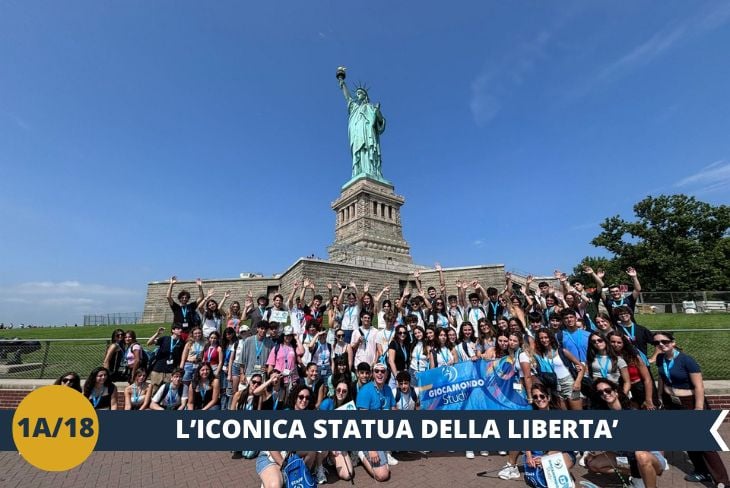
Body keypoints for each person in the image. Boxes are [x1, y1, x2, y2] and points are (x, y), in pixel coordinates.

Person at [654, 331, 729, 486]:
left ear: (673, 342)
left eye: (665, 341)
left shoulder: (686, 360)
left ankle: (722, 481)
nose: (661, 345)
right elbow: (662, 378)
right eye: (657, 343)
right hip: (672, 403)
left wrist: (698, 408)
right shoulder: (661, 358)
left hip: (691, 402)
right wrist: (660, 396)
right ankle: (702, 472)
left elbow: (699, 386)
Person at [585, 379, 668, 488]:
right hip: (628, 458)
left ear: (616, 392)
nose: (605, 394)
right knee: (594, 464)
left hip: (648, 456)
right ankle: (638, 476)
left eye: (608, 390)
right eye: (600, 392)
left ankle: (649, 480)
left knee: (641, 455)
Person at [338, 78, 386, 180]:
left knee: (369, 151)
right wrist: (343, 84)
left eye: (360, 93)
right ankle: (359, 171)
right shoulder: (355, 108)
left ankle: (373, 172)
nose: (357, 95)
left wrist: (377, 112)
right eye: (357, 93)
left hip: (369, 134)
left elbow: (381, 121)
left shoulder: (371, 107)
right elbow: (348, 98)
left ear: (365, 95)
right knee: (359, 153)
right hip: (358, 135)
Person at [356, 363, 394, 479]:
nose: (380, 374)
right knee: (382, 476)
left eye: (383, 371)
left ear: (387, 374)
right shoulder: (365, 391)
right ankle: (360, 452)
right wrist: (372, 449)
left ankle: (386, 450)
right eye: (377, 371)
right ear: (373, 373)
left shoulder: (387, 389)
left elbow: (394, 409)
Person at [533, 329, 585, 410]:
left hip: (570, 385)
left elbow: (581, 366)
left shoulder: (562, 351)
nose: (544, 340)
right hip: (556, 388)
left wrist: (577, 382)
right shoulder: (542, 355)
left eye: (546, 337)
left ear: (550, 338)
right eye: (541, 338)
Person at [608, 331, 655, 410]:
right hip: (621, 388)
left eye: (619, 342)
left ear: (624, 343)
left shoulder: (633, 357)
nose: (615, 344)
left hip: (639, 389)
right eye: (613, 342)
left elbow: (647, 379)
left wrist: (648, 400)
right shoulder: (607, 357)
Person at [586, 331, 630, 396]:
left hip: (615, 392)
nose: (597, 342)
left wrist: (622, 396)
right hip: (598, 393)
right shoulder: (591, 359)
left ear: (605, 341)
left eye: (600, 340)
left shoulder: (618, 359)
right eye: (594, 341)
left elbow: (627, 382)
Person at [146, 324, 185, 396]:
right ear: (173, 330)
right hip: (158, 370)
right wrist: (157, 334)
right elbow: (149, 343)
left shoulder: (182, 343)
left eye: (181, 329)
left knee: (167, 392)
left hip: (170, 371)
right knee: (154, 392)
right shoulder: (165, 338)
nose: (180, 330)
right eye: (178, 328)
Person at [166, 276, 205, 341]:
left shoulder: (191, 306)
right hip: (178, 332)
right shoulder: (176, 307)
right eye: (182, 297)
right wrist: (171, 284)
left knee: (189, 348)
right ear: (179, 299)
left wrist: (200, 286)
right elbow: (168, 297)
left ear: (188, 299)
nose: (184, 299)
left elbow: (201, 297)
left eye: (186, 297)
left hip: (190, 332)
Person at [179, 326, 206, 400]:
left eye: (199, 333)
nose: (197, 335)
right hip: (189, 364)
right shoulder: (189, 343)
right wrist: (181, 367)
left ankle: (194, 400)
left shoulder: (204, 343)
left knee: (196, 384)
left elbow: (204, 355)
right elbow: (184, 356)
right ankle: (184, 401)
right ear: (192, 334)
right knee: (186, 383)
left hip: (198, 365)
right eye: (195, 333)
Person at [387, 324, 410, 388]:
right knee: (393, 394)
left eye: (404, 333)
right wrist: (397, 377)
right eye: (400, 333)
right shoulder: (393, 343)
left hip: (405, 373)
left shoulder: (406, 344)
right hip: (396, 373)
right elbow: (391, 361)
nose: (402, 334)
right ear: (397, 334)